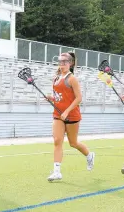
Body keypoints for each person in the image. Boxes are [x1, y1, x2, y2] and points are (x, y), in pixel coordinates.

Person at [46, 52, 95, 182]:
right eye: (60, 61)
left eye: (65, 62)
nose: (62, 64)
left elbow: (79, 98)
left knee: (73, 143)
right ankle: (57, 171)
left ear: (70, 63)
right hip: (58, 114)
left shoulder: (72, 78)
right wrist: (51, 98)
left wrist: (67, 111)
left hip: (71, 115)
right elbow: (59, 96)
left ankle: (89, 155)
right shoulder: (56, 78)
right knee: (57, 141)